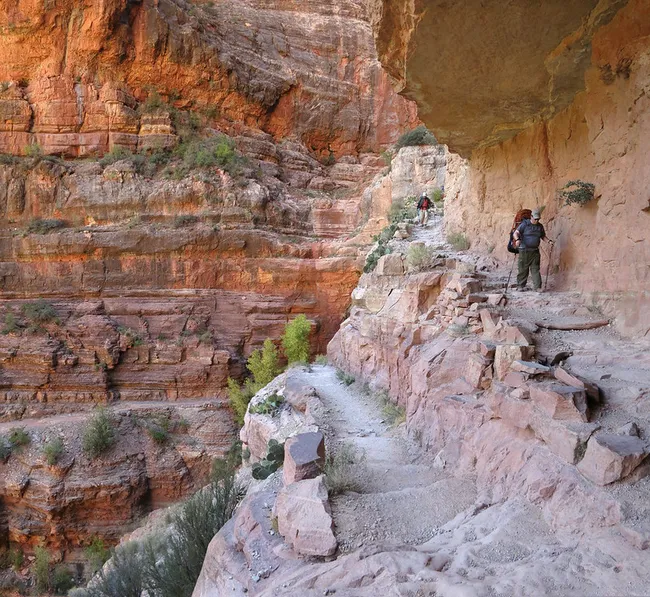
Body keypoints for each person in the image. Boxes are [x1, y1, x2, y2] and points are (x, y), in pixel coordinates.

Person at [512, 208, 554, 292]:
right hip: (524, 250)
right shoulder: (525, 224)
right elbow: (516, 233)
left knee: (535, 269)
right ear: (531, 217)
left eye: (538, 219)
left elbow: (542, 236)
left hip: (535, 251)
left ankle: (537, 287)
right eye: (535, 219)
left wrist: (549, 241)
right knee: (523, 268)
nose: (537, 220)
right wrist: (517, 240)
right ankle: (520, 286)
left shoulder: (540, 226)